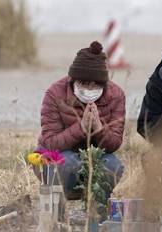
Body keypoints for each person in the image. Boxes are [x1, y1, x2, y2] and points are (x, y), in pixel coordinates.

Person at [38, 41, 125, 201]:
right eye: (84, 83)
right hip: (57, 155)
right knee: (66, 163)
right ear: (73, 80)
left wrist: (99, 129)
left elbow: (115, 143)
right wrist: (81, 128)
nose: (90, 89)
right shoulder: (55, 94)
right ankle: (57, 210)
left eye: (96, 85)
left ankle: (97, 210)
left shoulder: (116, 95)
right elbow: (49, 142)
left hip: (95, 155)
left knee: (113, 166)